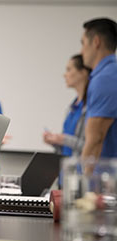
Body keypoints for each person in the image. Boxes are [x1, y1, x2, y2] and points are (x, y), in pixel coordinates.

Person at [80, 18, 117, 162]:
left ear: (96, 42)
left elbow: (96, 139)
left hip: (106, 176)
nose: (81, 51)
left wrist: (82, 182)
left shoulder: (105, 78)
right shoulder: (110, 74)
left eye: (83, 44)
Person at [43, 55, 91, 157]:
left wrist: (64, 139)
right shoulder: (71, 108)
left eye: (69, 69)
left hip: (82, 170)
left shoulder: (90, 108)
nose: (65, 75)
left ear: (83, 72)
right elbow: (67, 148)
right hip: (67, 169)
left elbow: (91, 146)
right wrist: (56, 142)